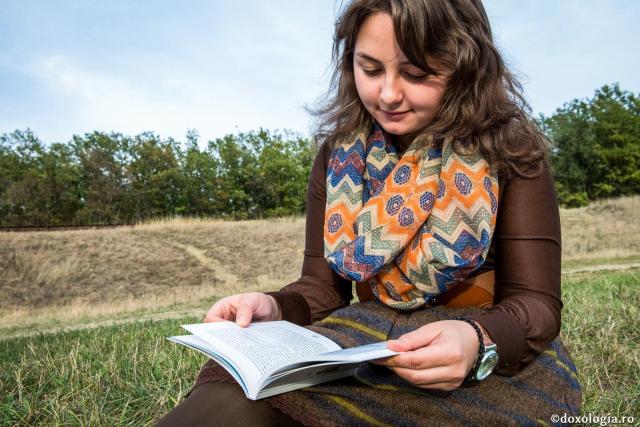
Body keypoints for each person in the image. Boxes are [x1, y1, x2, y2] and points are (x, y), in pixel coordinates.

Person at [157, 0, 582, 425]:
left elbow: (536, 303)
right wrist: (272, 305)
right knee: (233, 400)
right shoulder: (338, 155)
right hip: (363, 335)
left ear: (466, 66)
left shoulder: (510, 147)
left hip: (473, 347)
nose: (389, 94)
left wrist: (479, 340)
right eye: (371, 69)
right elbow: (323, 290)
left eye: (416, 74)